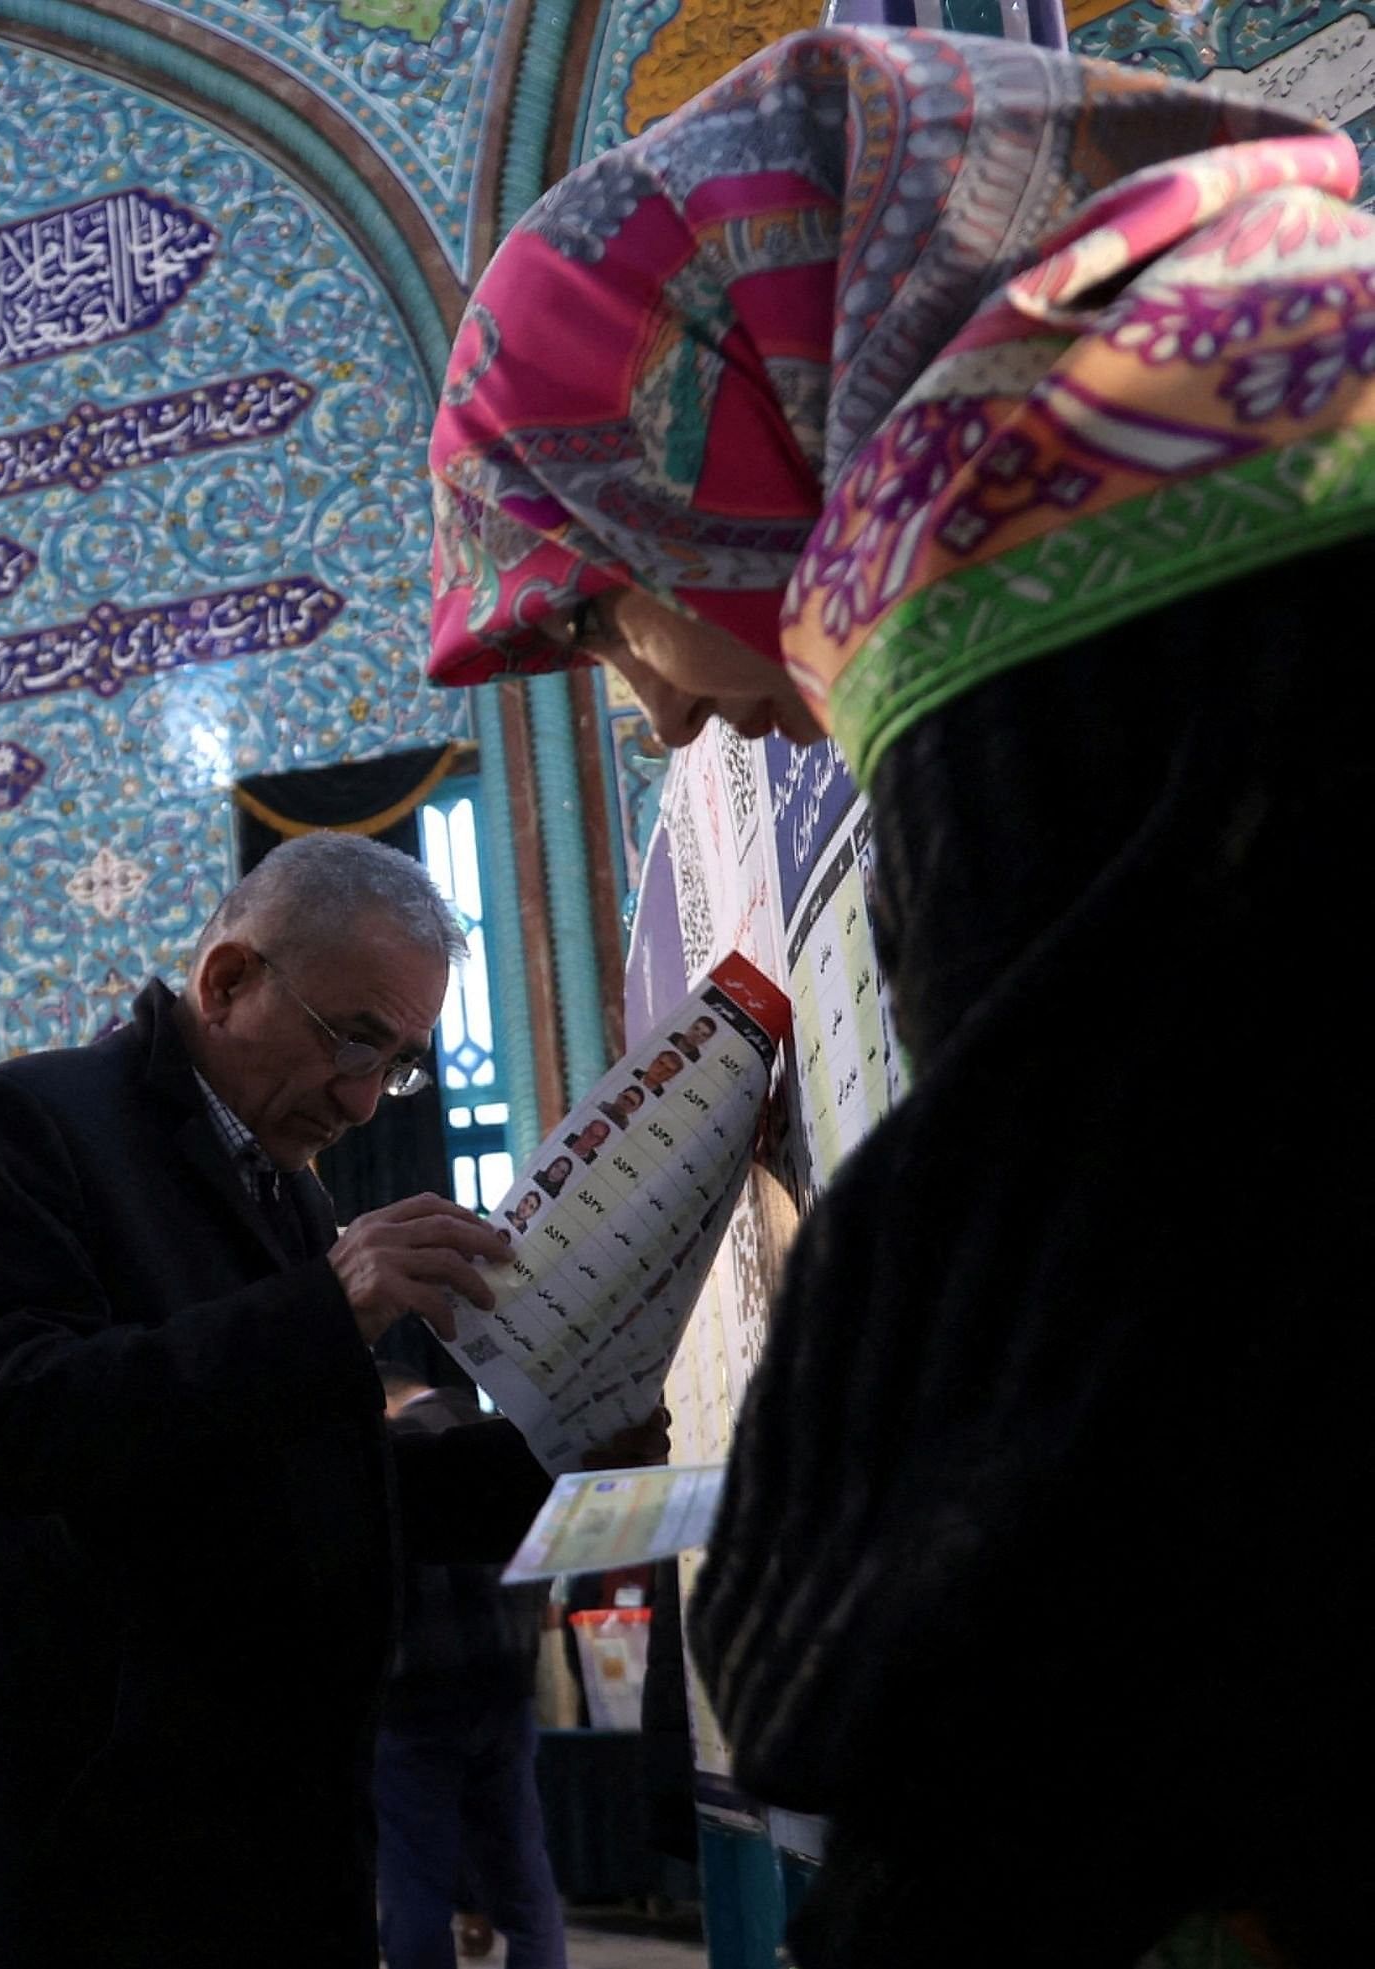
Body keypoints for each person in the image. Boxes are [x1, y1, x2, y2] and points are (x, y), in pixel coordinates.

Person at [427, 28, 1365, 1967]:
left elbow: (1027, 1446)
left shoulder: (1021, 498)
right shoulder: (1295, 348)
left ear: (726, 398)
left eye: (597, 601)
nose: (656, 706)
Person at [0, 832, 620, 1967]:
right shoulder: (34, 1122)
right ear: (228, 980)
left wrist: (556, 1447)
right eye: (352, 1043)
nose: (365, 1098)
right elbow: (6, 1423)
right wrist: (321, 1311)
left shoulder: (284, 1189)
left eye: (397, 1063)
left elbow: (308, 1473)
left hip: (282, 1835)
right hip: (103, 1848)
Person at [375, 1361, 564, 1969]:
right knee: (527, 1888)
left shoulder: (397, 1455)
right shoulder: (498, 1442)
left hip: (413, 1702)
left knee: (414, 1887)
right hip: (506, 1690)